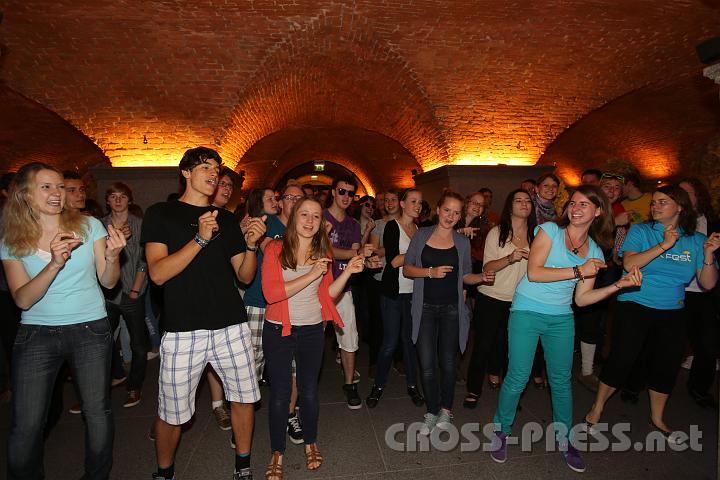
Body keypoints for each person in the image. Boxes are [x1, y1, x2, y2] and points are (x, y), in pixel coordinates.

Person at [489, 185, 643, 473]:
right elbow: (534, 273)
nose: (576, 208)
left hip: (561, 317)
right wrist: (577, 270)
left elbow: (582, 298)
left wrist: (618, 285)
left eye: (585, 204)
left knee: (561, 380)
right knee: (518, 375)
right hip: (527, 310)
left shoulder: (595, 250)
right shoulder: (550, 231)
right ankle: (501, 429)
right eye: (573, 203)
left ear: (598, 211)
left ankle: (564, 439)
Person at [142, 147, 266, 480]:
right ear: (185, 172)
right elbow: (157, 273)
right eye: (205, 167)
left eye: (217, 168)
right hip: (184, 329)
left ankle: (243, 464)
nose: (214, 173)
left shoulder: (226, 218)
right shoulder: (161, 213)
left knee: (243, 398)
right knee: (172, 411)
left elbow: (244, 275)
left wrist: (252, 246)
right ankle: (164, 472)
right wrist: (199, 238)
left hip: (231, 325)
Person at [2, 162, 126, 480]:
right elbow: (23, 299)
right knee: (26, 424)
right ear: (26, 194)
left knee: (97, 411)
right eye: (46, 187)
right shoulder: (12, 238)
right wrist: (55, 263)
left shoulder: (88, 226)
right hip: (36, 335)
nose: (57, 193)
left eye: (59, 186)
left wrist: (112, 259)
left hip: (90, 328)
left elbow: (109, 282)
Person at [584, 186, 720, 445]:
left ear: (679, 207)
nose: (654, 206)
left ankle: (657, 417)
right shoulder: (642, 231)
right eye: (654, 202)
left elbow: (708, 283)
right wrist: (664, 245)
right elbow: (629, 264)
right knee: (623, 358)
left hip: (674, 309)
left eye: (662, 202)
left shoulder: (695, 241)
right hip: (635, 302)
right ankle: (597, 406)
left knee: (666, 364)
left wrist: (709, 256)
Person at [261, 196, 365, 479]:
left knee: (308, 391)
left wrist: (348, 275)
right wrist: (311, 274)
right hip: (278, 330)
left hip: (311, 329)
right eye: (304, 214)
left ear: (322, 223)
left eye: (316, 216)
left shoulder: (323, 253)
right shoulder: (275, 249)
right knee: (281, 395)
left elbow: (327, 295)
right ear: (294, 217)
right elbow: (272, 294)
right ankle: (277, 452)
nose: (309, 221)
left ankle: (310, 442)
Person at [402, 190, 495, 435]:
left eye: (456, 212)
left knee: (449, 363)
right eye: (447, 210)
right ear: (438, 210)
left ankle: (446, 409)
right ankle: (432, 410)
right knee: (427, 363)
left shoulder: (462, 242)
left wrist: (481, 278)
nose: (451, 216)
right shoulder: (421, 235)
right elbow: (407, 269)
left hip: (452, 309)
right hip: (424, 308)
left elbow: (465, 275)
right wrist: (429, 272)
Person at [244, 183, 306, 445]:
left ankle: (290, 415)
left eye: (299, 198)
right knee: (250, 366)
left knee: (293, 367)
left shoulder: (305, 227)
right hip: (260, 303)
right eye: (288, 197)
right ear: (281, 202)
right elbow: (271, 251)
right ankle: (243, 420)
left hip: (290, 306)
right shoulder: (265, 222)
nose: (293, 201)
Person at [464, 189, 536, 408]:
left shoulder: (537, 235)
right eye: (518, 200)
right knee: (483, 346)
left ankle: (511, 393)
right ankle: (473, 389)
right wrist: (510, 258)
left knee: (513, 349)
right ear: (510, 206)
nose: (524, 204)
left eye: (527, 201)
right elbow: (488, 267)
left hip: (521, 301)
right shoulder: (498, 232)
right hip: (491, 297)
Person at [366, 189, 425, 408]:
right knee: (390, 342)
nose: (417, 206)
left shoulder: (419, 230)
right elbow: (392, 261)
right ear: (402, 203)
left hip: (414, 292)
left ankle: (412, 385)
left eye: (419, 202)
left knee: (410, 342)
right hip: (392, 292)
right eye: (413, 201)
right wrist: (418, 253)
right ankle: (378, 386)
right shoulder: (393, 227)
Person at [102, 182, 150, 408]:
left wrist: (135, 290)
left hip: (132, 291)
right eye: (113, 196)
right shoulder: (99, 225)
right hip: (107, 294)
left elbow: (145, 260)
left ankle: (134, 387)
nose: (118, 200)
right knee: (102, 342)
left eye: (122, 196)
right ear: (108, 200)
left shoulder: (139, 224)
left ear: (129, 200)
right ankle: (99, 388)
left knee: (138, 345)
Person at [324, 176, 365, 409]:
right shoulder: (319, 218)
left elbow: (354, 252)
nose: (346, 197)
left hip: (344, 286)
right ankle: (300, 387)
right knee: (309, 340)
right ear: (333, 191)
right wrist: (352, 254)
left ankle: (349, 384)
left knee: (349, 338)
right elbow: (326, 251)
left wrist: (356, 255)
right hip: (317, 287)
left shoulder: (353, 225)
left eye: (351, 193)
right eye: (342, 191)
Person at [678, 177, 719, 408]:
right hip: (678, 291)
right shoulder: (674, 221)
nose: (682, 197)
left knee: (707, 345)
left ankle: (699, 388)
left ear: (698, 196)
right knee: (667, 342)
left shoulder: (713, 223)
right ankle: (641, 383)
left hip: (704, 294)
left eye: (687, 192)